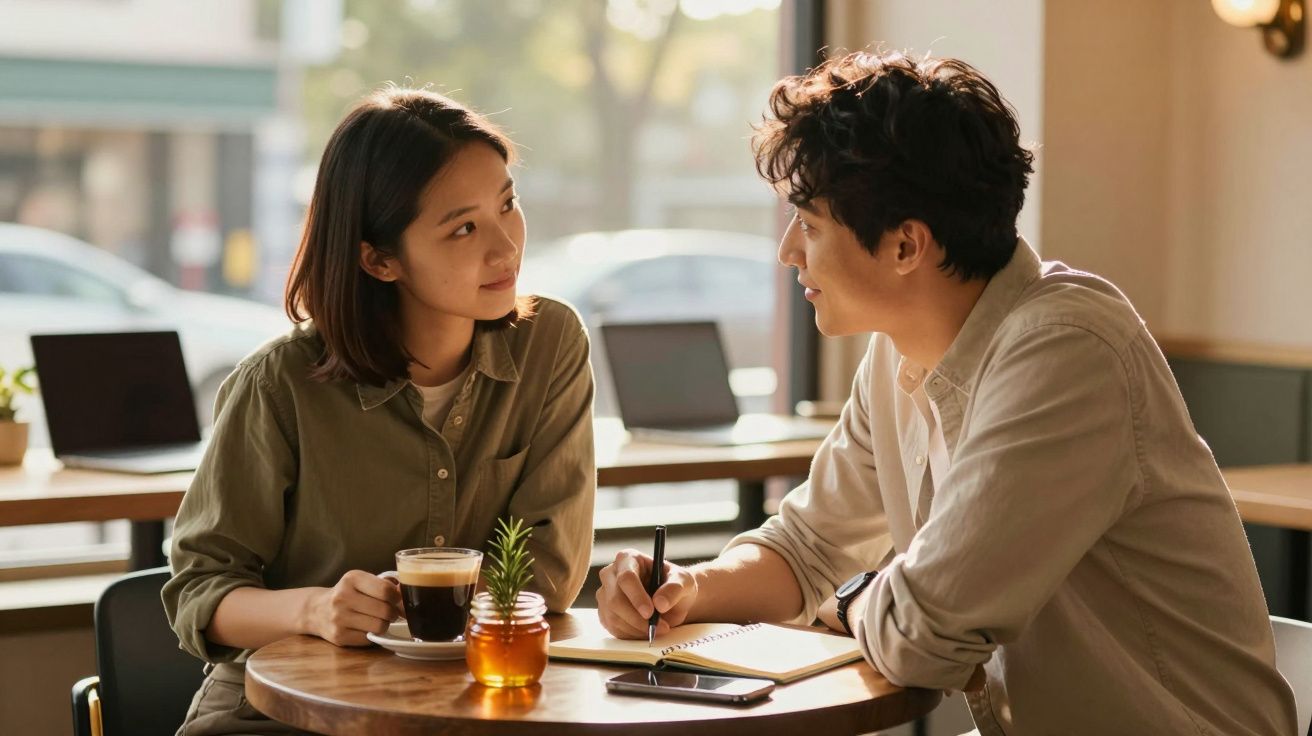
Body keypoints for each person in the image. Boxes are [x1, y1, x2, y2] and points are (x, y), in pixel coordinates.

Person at [597, 51, 1296, 735]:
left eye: (809, 225)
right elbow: (808, 547)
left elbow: (922, 639)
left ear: (906, 246)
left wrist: (853, 597)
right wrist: (690, 588)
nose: (787, 252)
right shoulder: (894, 356)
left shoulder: (1068, 351)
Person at [163, 88, 596, 735]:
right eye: (464, 228)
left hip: (467, 703)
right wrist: (315, 610)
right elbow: (199, 591)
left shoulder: (549, 344)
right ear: (379, 258)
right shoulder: (279, 384)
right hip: (282, 711)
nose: (506, 248)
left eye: (507, 205)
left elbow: (549, 576)